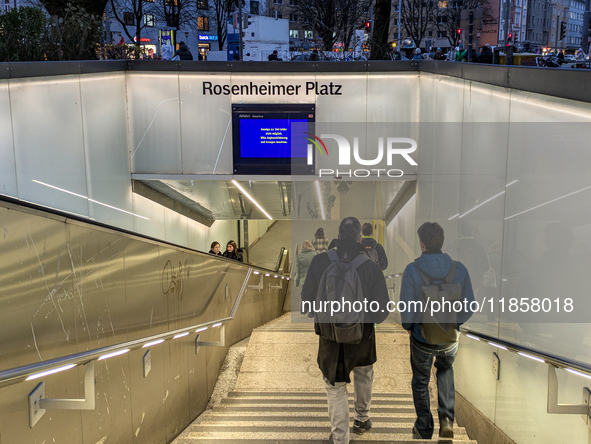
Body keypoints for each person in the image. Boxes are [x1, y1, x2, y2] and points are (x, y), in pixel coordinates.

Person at [301, 217, 390, 444]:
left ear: (338, 236)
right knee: (363, 374)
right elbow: (382, 311)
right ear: (361, 238)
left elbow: (307, 300)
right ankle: (362, 419)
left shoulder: (320, 262)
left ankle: (340, 438)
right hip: (362, 335)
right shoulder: (371, 266)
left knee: (335, 386)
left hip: (331, 337)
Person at [399, 222, 474, 440]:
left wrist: (410, 328)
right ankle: (447, 421)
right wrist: (454, 323)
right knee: (445, 371)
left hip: (422, 338)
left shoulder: (413, 270)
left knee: (421, 380)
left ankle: (424, 426)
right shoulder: (458, 269)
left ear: (421, 243)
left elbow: (406, 308)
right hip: (450, 338)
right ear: (441, 242)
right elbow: (470, 305)